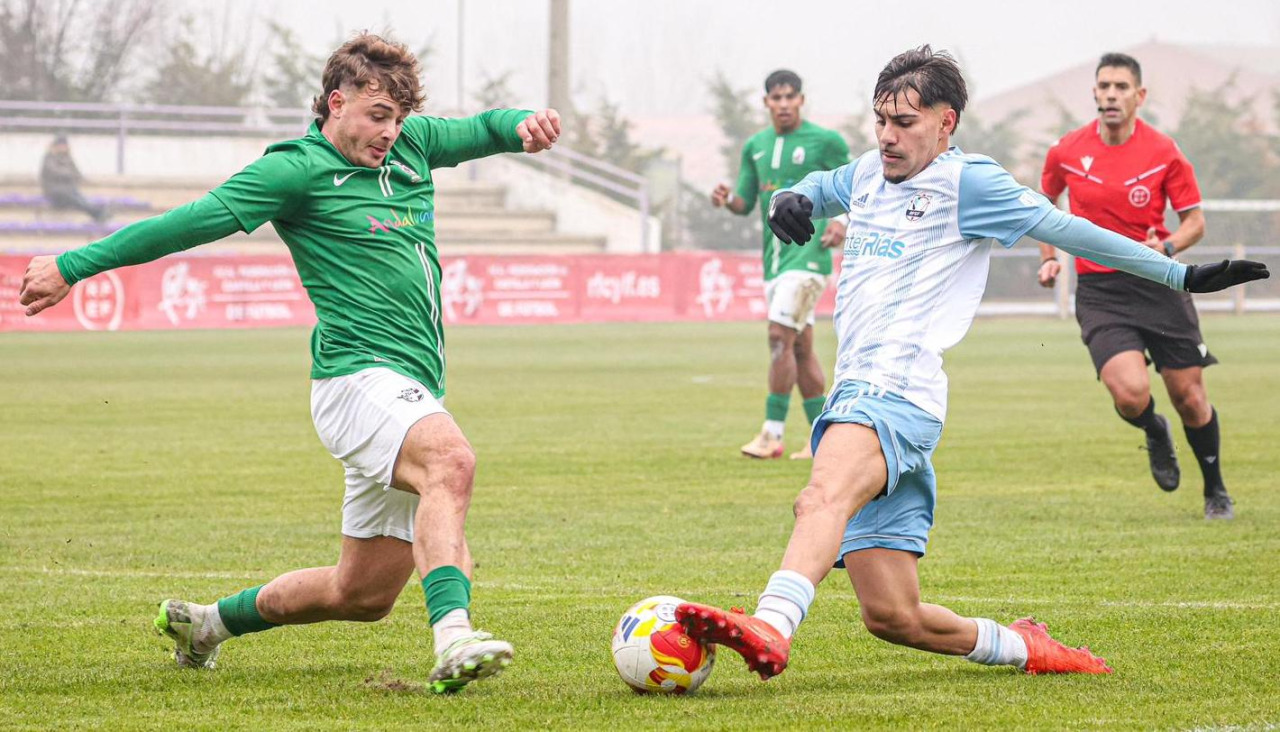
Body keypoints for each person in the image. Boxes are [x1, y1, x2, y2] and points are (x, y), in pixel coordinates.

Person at [676, 46, 1267, 681]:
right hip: (873, 394)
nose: (887, 136)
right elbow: (814, 191)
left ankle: (771, 623)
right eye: (880, 120)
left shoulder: (969, 184)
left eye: (904, 123)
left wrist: (1179, 272)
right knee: (893, 616)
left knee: (819, 496)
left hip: (893, 391)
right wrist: (787, 199)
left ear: (946, 121)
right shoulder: (868, 175)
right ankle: (1028, 647)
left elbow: (1072, 231)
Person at [19, 33, 562, 694]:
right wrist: (73, 265)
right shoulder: (294, 169)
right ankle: (454, 637)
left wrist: (522, 125)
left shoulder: (415, 145)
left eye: (396, 118)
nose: (389, 132)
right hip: (356, 380)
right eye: (375, 116)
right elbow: (191, 222)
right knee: (451, 462)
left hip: (408, 388)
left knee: (361, 594)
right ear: (337, 102)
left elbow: (482, 128)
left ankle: (208, 625)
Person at [1038, 53, 1234, 519]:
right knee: (1129, 394)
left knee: (1189, 396)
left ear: (1139, 96)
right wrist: (1049, 260)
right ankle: (1152, 429)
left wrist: (1166, 247)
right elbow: (1042, 206)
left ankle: (1216, 490)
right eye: (1104, 86)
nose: (1110, 94)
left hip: (1157, 283)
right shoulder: (1066, 150)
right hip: (1101, 291)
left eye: (1121, 87)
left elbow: (1196, 222)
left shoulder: (1164, 151)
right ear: (1094, 93)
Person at [710, 69, 851, 460]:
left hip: (807, 256)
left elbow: (857, 184)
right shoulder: (755, 145)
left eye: (791, 97)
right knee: (801, 349)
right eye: (777, 98)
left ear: (802, 100)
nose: (784, 104)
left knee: (777, 337)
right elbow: (743, 202)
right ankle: (826, 440)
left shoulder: (826, 141)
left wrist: (840, 222)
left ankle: (772, 435)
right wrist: (726, 199)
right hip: (773, 261)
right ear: (766, 102)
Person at [40, 134, 108, 223]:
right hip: (55, 191)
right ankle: (96, 213)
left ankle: (97, 213)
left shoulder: (68, 158)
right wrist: (69, 173)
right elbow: (56, 172)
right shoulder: (49, 158)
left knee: (80, 197)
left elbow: (76, 173)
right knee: (76, 199)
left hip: (69, 189)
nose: (63, 147)